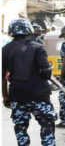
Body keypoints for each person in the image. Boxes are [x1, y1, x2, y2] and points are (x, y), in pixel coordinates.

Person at [2, 18, 57, 146]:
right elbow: (46, 72)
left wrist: (5, 96)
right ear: (28, 30)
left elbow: (2, 76)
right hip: (39, 95)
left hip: (17, 95)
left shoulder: (5, 50)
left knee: (20, 127)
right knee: (46, 123)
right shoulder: (38, 48)